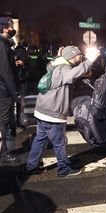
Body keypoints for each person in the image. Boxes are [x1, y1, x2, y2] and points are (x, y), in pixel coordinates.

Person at [24, 45, 99, 176]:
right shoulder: (65, 68)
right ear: (71, 57)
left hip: (42, 110)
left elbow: (68, 71)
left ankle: (31, 166)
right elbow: (73, 74)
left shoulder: (56, 64)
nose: (80, 56)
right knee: (60, 142)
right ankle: (64, 169)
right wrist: (90, 60)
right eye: (78, 55)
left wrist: (60, 55)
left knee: (40, 139)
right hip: (52, 113)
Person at [0, 17, 20, 163]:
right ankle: (4, 152)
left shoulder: (4, 44)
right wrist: (15, 94)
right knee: (3, 121)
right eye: (11, 25)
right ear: (4, 28)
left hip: (3, 88)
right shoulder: (2, 44)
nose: (13, 28)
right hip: (4, 91)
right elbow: (5, 72)